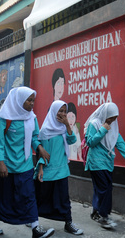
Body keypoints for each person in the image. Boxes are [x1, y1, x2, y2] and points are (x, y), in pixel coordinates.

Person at [0, 86, 54, 238]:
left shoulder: (31, 117)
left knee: (29, 194)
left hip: (25, 164)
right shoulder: (5, 117)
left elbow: (34, 137)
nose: (31, 104)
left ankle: (36, 228)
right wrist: (0, 162)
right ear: (19, 100)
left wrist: (40, 148)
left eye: (33, 100)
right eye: (28, 100)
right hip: (5, 165)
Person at [34, 100, 84, 235]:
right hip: (48, 170)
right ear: (53, 112)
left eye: (64, 111)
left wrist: (67, 124)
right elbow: (42, 152)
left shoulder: (63, 128)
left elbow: (72, 140)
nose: (62, 114)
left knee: (64, 199)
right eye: (60, 111)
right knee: (41, 197)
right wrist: (40, 169)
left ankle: (68, 222)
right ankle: (33, 221)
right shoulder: (45, 130)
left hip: (62, 169)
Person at [84, 102, 125, 229]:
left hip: (107, 163)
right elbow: (90, 142)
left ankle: (96, 210)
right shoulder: (94, 124)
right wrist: (102, 129)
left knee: (100, 188)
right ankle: (104, 216)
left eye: (115, 117)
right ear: (105, 114)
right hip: (96, 162)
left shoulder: (113, 127)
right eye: (111, 117)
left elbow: (120, 142)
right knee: (105, 189)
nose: (112, 120)